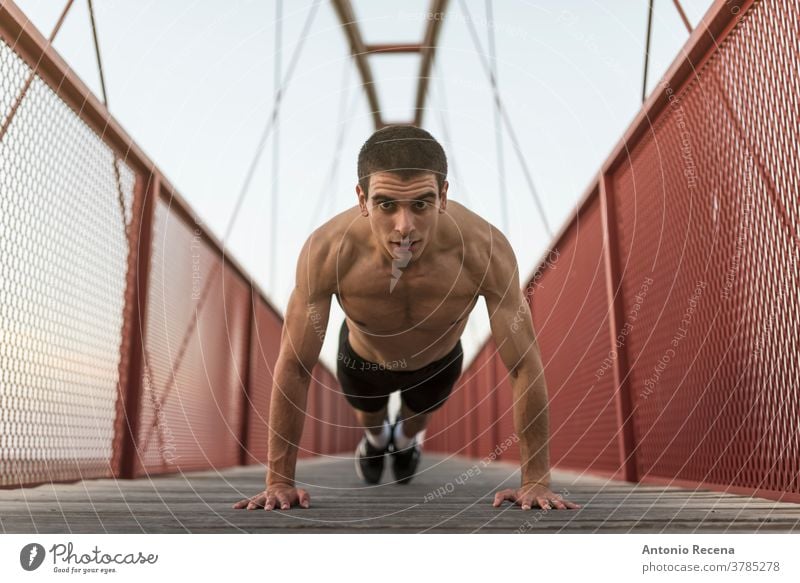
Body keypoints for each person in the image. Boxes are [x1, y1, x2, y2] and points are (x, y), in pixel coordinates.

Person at [233, 125, 580, 512]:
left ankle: (405, 440)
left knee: (413, 426)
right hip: (362, 360)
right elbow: (296, 364)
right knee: (373, 424)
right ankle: (378, 442)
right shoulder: (328, 250)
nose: (404, 227)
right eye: (386, 205)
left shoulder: (485, 250)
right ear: (362, 199)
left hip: (437, 363)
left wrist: (535, 481)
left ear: (443, 196)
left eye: (421, 204)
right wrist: (279, 481)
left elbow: (524, 365)